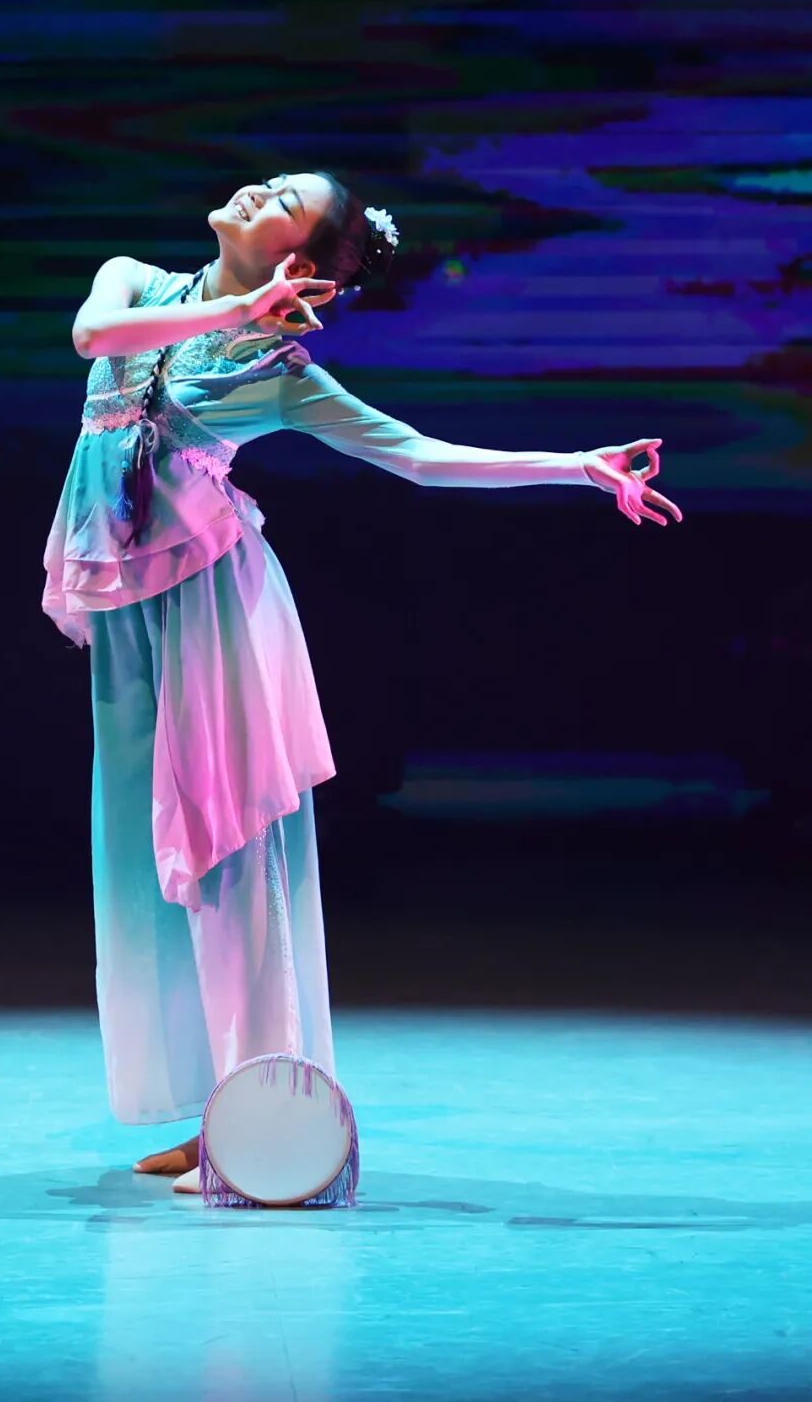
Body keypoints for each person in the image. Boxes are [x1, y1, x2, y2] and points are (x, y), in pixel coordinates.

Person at [42, 171, 683, 1193]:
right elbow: (92, 338)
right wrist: (236, 308)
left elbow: (418, 458)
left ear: (297, 263)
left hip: (211, 610)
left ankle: (267, 1125)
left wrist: (574, 466)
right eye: (270, 180)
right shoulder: (134, 282)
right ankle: (216, 1109)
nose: (255, 190)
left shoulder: (279, 372)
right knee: (144, 864)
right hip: (127, 611)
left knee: (228, 857)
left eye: (282, 201)